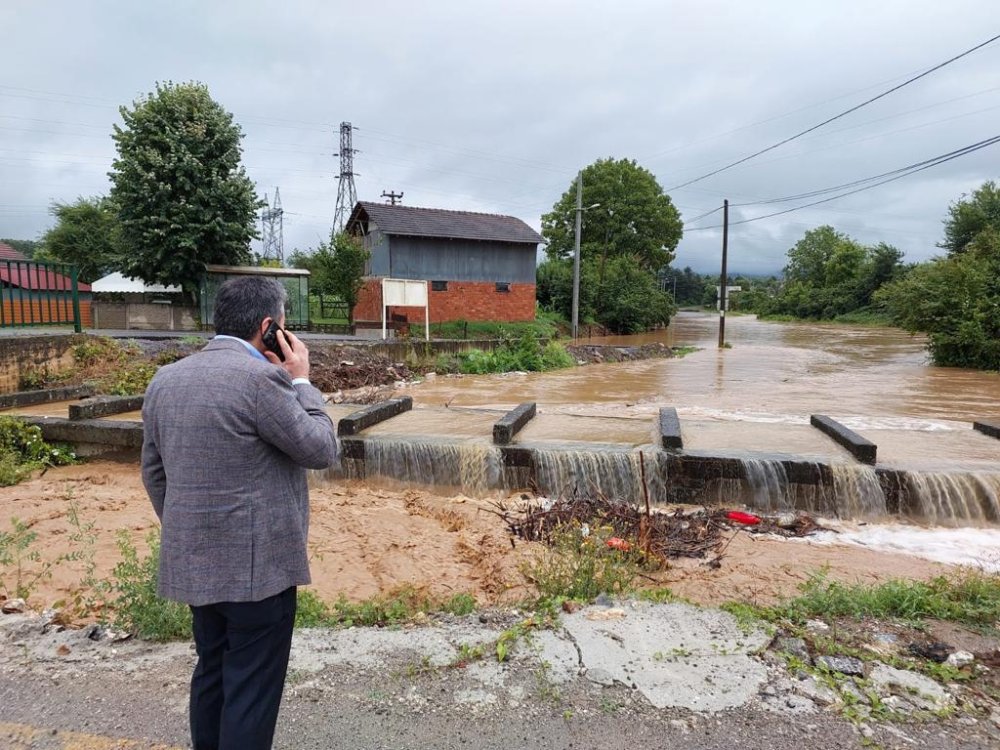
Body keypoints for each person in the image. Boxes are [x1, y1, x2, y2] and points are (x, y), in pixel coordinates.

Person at [141, 276, 339, 750]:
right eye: (285, 323)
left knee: (212, 671)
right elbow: (321, 448)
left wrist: (192, 530)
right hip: (258, 576)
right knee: (251, 689)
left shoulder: (165, 379)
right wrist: (303, 380)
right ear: (269, 327)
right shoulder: (263, 381)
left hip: (195, 564)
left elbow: (153, 473)